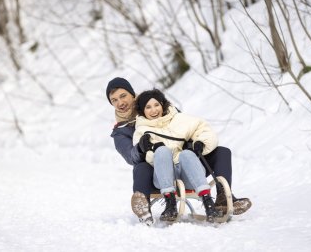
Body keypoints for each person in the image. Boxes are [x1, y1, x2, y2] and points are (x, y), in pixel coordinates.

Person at [106, 77, 251, 225]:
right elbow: (131, 157)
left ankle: (223, 199)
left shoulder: (161, 107)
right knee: (141, 167)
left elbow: (184, 128)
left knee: (222, 151)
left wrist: (196, 143)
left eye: (123, 96)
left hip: (184, 162)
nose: (120, 103)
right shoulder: (120, 131)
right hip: (156, 169)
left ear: (132, 94)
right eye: (114, 100)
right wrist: (141, 149)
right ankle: (143, 205)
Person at [133, 89, 220, 223]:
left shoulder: (179, 119)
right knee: (162, 151)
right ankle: (170, 204)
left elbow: (205, 129)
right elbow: (147, 158)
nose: (153, 110)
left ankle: (208, 203)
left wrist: (201, 143)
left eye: (156, 105)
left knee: (186, 154)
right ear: (142, 111)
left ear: (162, 105)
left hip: (188, 175)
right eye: (148, 107)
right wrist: (151, 149)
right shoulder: (141, 131)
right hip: (163, 176)